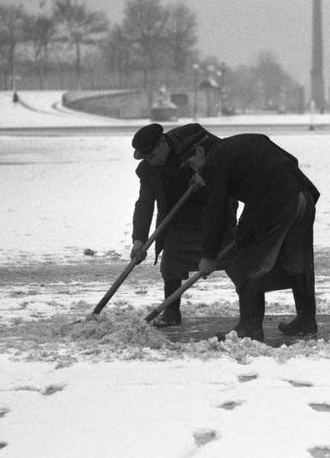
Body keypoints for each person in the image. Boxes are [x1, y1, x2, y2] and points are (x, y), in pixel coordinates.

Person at [188, 133, 320, 341]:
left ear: (198, 151)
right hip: (303, 194)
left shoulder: (215, 161)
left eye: (192, 164)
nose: (194, 169)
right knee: (298, 261)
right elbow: (290, 161)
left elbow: (217, 209)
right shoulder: (245, 141)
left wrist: (209, 255)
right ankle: (306, 321)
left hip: (276, 204)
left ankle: (249, 328)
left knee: (243, 262)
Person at [130, 122, 223, 327]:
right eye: (146, 158)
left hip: (214, 213)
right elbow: (145, 203)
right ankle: (171, 314)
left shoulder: (192, 137)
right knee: (170, 266)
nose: (150, 162)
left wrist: (205, 173)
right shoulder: (147, 169)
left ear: (163, 143)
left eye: (152, 156)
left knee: (234, 262)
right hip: (177, 221)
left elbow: (224, 155)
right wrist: (139, 241)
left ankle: (250, 314)